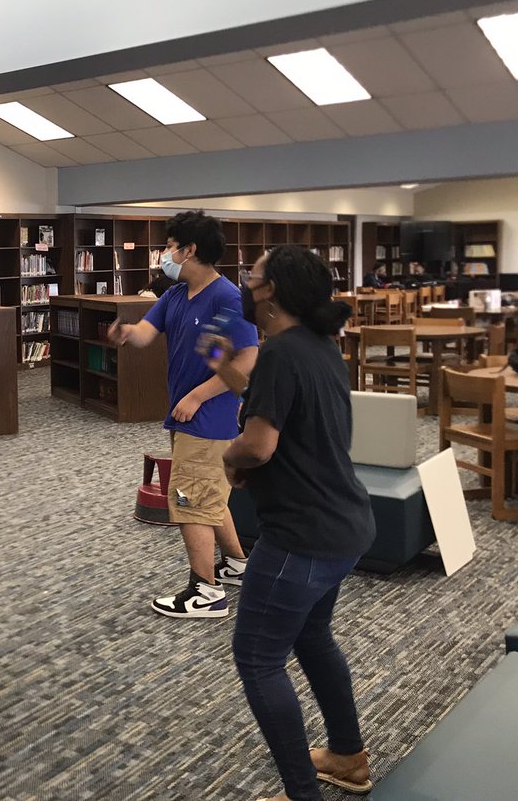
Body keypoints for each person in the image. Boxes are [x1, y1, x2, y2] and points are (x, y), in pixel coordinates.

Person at [202, 245, 376, 801]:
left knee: (257, 659)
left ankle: (304, 794)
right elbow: (272, 405)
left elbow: (258, 443)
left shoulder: (279, 353)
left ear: (270, 290)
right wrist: (224, 367)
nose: (244, 282)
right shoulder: (318, 346)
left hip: (301, 536)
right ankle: (348, 758)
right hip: (344, 524)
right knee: (312, 635)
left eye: (251, 275)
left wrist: (230, 459)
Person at [108, 211, 259, 619]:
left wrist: (198, 396)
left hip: (210, 416)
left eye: (170, 246)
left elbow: (247, 359)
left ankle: (205, 592)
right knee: (209, 492)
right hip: (184, 416)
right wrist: (125, 332)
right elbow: (145, 333)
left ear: (189, 249)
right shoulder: (174, 295)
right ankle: (238, 564)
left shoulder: (228, 297)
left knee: (190, 498)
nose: (165, 254)